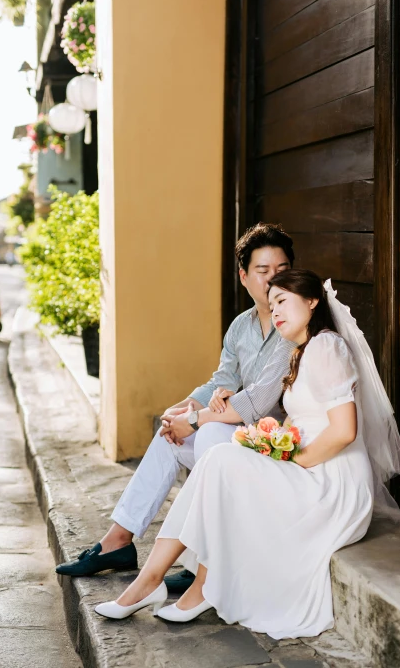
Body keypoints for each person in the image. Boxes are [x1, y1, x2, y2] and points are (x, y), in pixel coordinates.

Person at [94, 270, 400, 639]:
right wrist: (265, 443)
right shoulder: (301, 352)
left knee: (222, 460)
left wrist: (294, 460)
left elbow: (344, 431)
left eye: (284, 301)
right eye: (271, 304)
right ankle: (162, 582)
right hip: (309, 468)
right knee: (220, 459)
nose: (275, 312)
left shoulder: (326, 346)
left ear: (312, 302)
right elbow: (300, 421)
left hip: (332, 481)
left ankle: (166, 584)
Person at [56, 223, 296, 591]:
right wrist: (183, 407)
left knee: (209, 434)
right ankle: (118, 540)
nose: (272, 281)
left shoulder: (290, 326)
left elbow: (258, 400)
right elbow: (223, 381)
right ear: (244, 276)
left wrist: (195, 420)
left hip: (277, 444)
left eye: (281, 272)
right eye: (263, 272)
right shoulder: (240, 326)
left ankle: (202, 556)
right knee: (170, 435)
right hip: (241, 434)